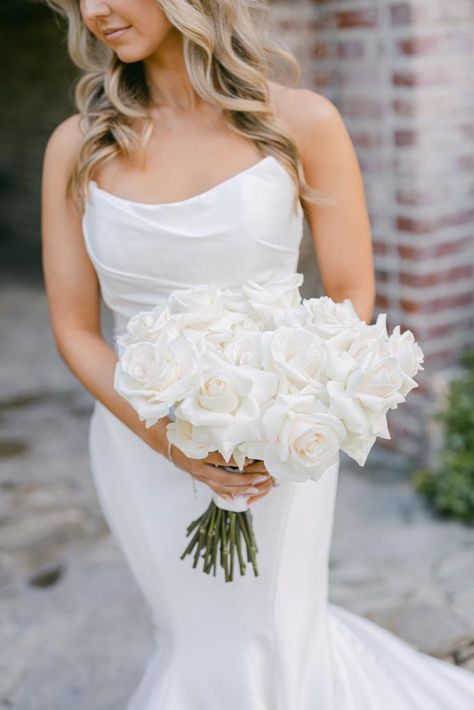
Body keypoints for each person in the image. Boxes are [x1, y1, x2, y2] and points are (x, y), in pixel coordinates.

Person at [41, 1, 474, 708]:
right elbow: (74, 327)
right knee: (194, 635)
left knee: (274, 631)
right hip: (135, 435)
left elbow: (350, 291)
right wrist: (172, 444)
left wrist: (288, 415)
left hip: (276, 440)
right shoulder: (79, 144)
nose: (95, 12)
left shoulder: (301, 122)